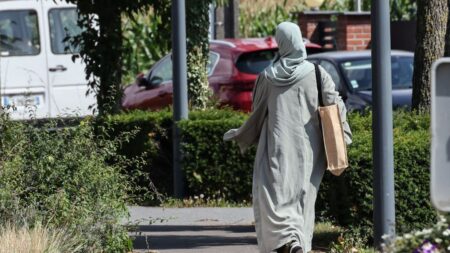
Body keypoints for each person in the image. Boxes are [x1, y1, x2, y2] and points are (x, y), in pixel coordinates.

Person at [223, 22, 352, 253]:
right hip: (310, 151)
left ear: (281, 43)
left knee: (275, 198)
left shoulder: (268, 77)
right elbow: (335, 104)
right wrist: (344, 132)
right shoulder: (317, 73)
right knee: (302, 197)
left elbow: (257, 112)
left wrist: (241, 134)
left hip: (277, 147)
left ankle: (288, 242)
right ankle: (297, 241)